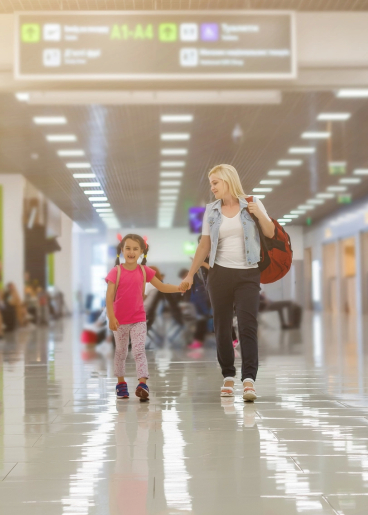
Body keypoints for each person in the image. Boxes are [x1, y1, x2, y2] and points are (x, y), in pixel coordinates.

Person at [181, 164, 274, 402]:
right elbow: (204, 245)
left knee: (247, 325)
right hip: (219, 273)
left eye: (215, 183)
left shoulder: (252, 203)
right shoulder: (211, 210)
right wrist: (191, 274)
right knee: (221, 326)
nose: (211, 188)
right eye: (211, 183)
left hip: (248, 274)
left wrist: (259, 213)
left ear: (228, 181)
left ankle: (249, 380)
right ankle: (228, 377)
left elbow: (270, 232)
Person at [106, 234, 182, 401]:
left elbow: (161, 286)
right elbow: (109, 296)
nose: (131, 252)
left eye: (135, 249)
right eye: (128, 248)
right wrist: (111, 317)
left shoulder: (144, 271)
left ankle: (142, 384)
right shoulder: (116, 271)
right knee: (121, 352)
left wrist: (179, 288)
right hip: (119, 321)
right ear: (122, 250)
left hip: (139, 319)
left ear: (142, 251)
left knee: (139, 351)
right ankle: (121, 383)